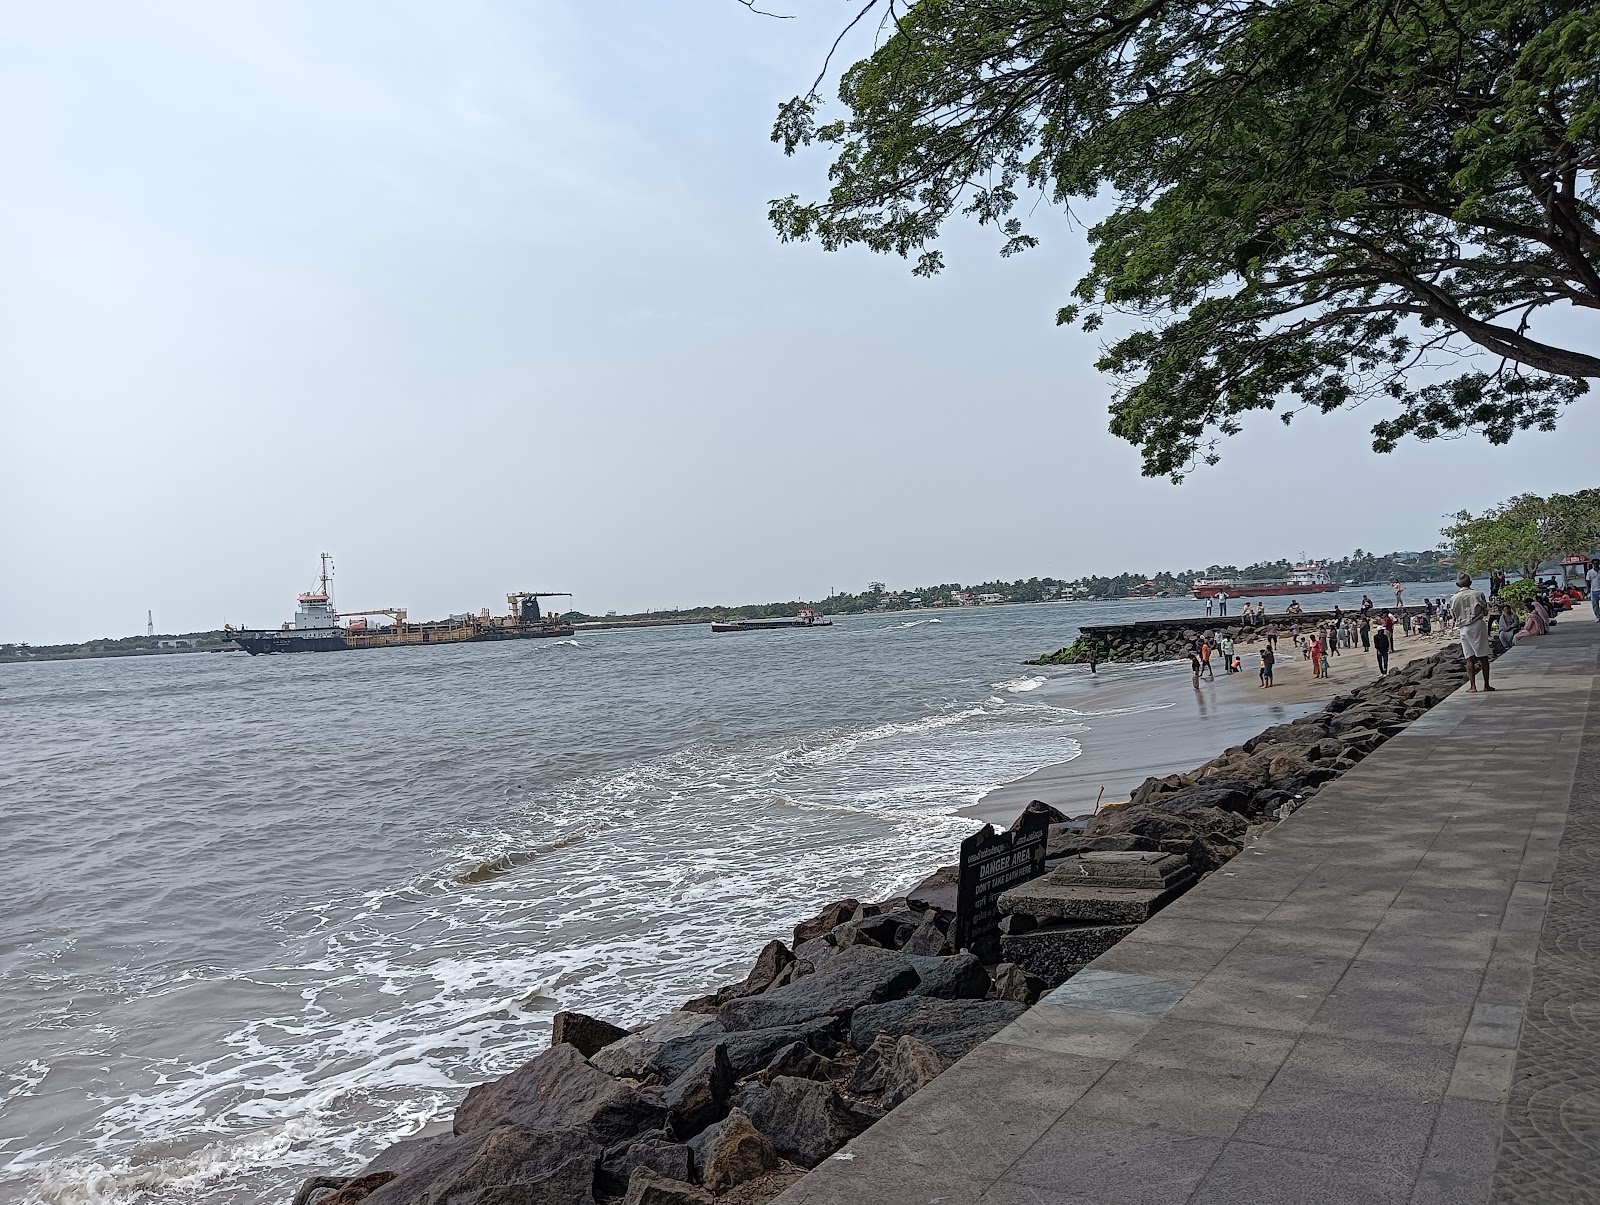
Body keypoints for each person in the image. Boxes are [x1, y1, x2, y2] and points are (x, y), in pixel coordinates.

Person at [1448, 572, 1493, 692]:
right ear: (1471, 583)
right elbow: (1485, 610)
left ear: (1457, 584)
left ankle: (1473, 686)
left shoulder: (1454, 598)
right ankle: (1486, 685)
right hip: (1477, 624)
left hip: (1463, 627)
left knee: (1469, 657)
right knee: (1483, 657)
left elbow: (1453, 615)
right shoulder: (1478, 594)